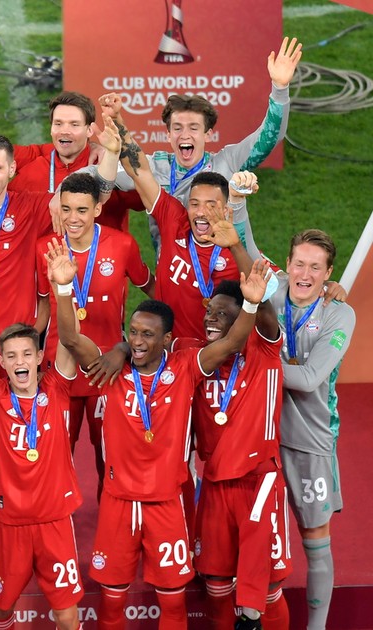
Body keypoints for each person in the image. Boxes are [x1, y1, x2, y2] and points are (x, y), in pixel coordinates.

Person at [54, 238, 270, 630]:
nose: (138, 341)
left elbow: (232, 343)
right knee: (112, 603)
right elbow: (70, 338)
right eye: (133, 333)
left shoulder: (186, 366)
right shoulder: (111, 370)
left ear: (167, 340)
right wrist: (64, 287)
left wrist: (252, 305)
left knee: (172, 605)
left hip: (167, 505)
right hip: (118, 503)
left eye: (147, 335)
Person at [0, 265, 84, 630]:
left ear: (38, 358)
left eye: (26, 354)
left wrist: (63, 289)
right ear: (3, 362)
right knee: (2, 609)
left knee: (68, 616)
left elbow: (70, 340)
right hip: (10, 525)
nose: (20, 361)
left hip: (55, 521)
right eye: (11, 356)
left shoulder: (57, 389)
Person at [94, 37, 303, 261]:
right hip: (174, 276)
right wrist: (68, 186)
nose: (185, 134)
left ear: (208, 134)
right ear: (168, 134)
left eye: (193, 128)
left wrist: (280, 88)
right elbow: (96, 179)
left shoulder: (227, 162)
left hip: (225, 271)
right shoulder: (155, 167)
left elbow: (268, 138)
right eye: (177, 128)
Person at [34, 126, 153, 498]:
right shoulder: (45, 248)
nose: (73, 218)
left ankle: (112, 527)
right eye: (67, 208)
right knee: (56, 460)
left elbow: (153, 291)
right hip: (60, 369)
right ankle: (58, 526)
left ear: (98, 210)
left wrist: (132, 346)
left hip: (108, 368)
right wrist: (35, 357)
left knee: (111, 462)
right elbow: (41, 307)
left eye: (83, 210)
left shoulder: (123, 245)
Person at [180, 276, 291, 630]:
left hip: (258, 480)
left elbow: (266, 317)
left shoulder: (265, 350)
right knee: (215, 584)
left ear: (243, 317)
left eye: (222, 313)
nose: (210, 318)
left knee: (268, 588)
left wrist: (254, 298)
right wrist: (122, 347)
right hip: (215, 481)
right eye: (209, 311)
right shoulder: (198, 358)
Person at [274, 229, 354, 630]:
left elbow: (307, 380)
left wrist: (253, 363)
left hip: (311, 442)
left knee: (315, 542)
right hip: (262, 439)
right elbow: (243, 245)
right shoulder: (272, 291)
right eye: (299, 264)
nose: (305, 274)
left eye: (316, 268)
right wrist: (235, 202)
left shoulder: (339, 314)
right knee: (258, 538)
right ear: (287, 264)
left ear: (328, 273)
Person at [116, 129, 255, 342]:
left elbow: (265, 291)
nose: (201, 212)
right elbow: (141, 172)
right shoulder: (175, 221)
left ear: (226, 210)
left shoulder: (238, 248)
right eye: (194, 204)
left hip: (217, 356)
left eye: (211, 205)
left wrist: (236, 246)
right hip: (170, 354)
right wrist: (119, 125)